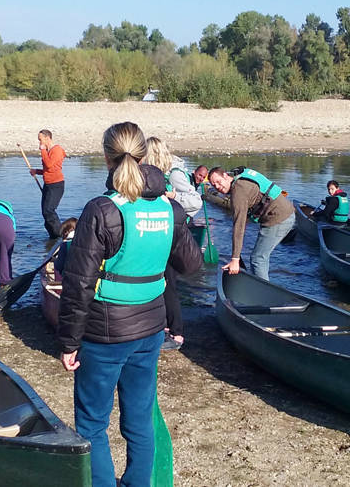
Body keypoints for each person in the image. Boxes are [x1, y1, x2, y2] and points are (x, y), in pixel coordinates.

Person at [58, 122, 202, 487]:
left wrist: (69, 343)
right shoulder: (167, 207)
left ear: (106, 156)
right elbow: (192, 266)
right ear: (142, 155)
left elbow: (78, 285)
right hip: (149, 330)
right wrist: (175, 221)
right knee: (138, 420)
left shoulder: (101, 210)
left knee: (92, 423)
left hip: (105, 334)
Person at [143, 137, 202, 350]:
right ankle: (164, 326)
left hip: (171, 233)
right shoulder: (151, 173)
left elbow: (195, 202)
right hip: (157, 232)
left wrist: (173, 195)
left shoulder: (175, 174)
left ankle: (176, 333)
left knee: (168, 282)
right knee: (160, 279)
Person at [207, 166, 295, 281]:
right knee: (260, 256)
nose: (218, 187)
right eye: (214, 185)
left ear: (226, 176)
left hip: (279, 218)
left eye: (218, 182)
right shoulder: (240, 178)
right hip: (284, 212)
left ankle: (263, 293)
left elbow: (239, 226)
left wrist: (235, 259)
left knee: (258, 258)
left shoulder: (238, 192)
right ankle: (259, 281)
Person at [30, 129, 66, 239]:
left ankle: (60, 236)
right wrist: (37, 171)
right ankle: (53, 237)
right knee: (45, 212)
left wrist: (43, 150)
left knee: (49, 211)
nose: (39, 142)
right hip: (48, 184)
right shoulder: (49, 151)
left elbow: (49, 164)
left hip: (56, 185)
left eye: (40, 140)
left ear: (47, 138)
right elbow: (49, 169)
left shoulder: (57, 150)